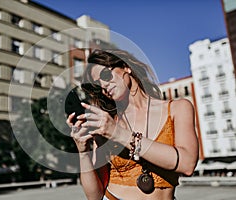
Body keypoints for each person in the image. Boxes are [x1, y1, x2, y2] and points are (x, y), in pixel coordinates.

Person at [66, 49, 198, 200]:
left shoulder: (178, 108)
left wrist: (117, 133)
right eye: (98, 85)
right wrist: (83, 152)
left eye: (105, 75)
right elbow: (94, 196)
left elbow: (187, 164)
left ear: (126, 67)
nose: (104, 86)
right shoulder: (106, 123)